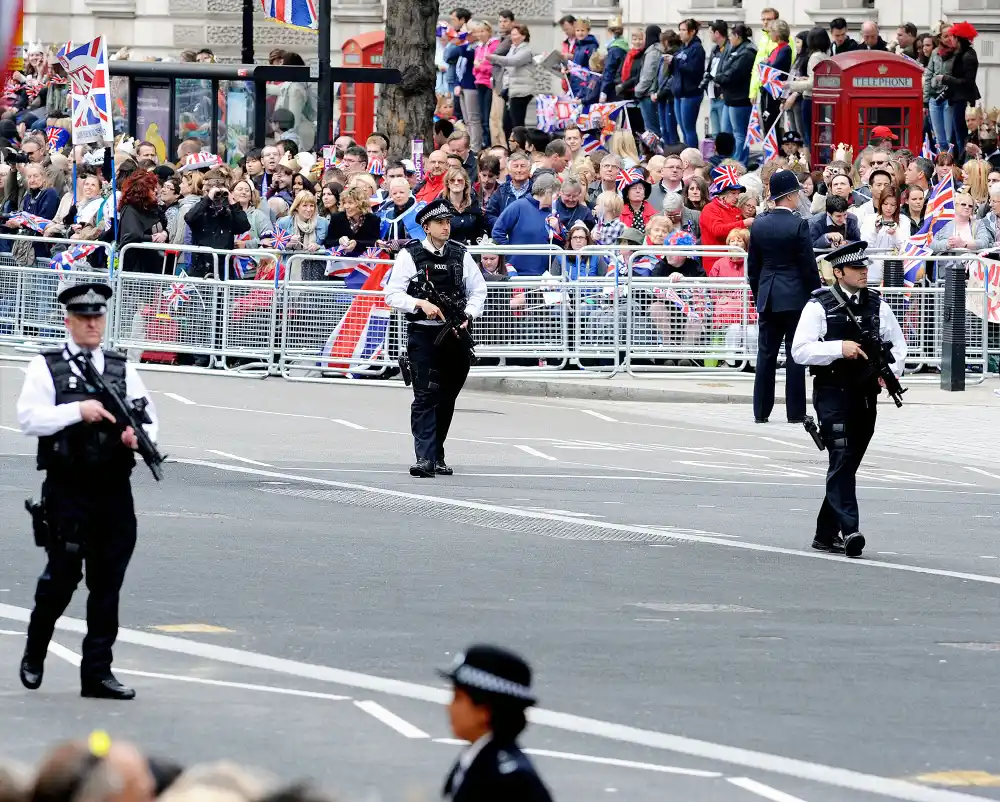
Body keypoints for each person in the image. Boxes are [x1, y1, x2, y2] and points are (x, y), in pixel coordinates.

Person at [16, 281, 159, 700]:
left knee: (107, 583)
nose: (93, 324)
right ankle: (35, 649)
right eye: (84, 317)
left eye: (98, 317)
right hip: (68, 488)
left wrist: (138, 436)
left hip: (114, 490)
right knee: (61, 579)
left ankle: (97, 672)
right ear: (69, 321)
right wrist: (76, 410)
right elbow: (29, 418)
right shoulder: (47, 366)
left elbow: (149, 418)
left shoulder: (121, 367)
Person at [790, 241, 906, 557]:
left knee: (848, 463)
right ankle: (850, 530)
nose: (863, 272)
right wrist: (837, 347)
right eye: (856, 268)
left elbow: (898, 344)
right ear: (838, 272)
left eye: (864, 267)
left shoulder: (878, 305)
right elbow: (799, 350)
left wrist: (890, 372)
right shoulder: (819, 305)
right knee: (841, 458)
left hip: (866, 394)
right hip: (832, 393)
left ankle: (824, 534)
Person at [385, 200, 487, 477]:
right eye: (440, 223)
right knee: (425, 396)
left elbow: (479, 290)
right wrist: (420, 304)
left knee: (446, 397)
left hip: (455, 335)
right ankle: (425, 459)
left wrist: (468, 314)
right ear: (426, 227)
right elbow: (393, 294)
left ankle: (437, 453)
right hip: (423, 335)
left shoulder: (460, 254)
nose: (446, 227)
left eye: (448, 222)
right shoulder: (410, 255)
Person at [748, 169, 821, 424]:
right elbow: (808, 266)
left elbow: (753, 268)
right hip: (794, 295)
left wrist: (759, 294)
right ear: (789, 196)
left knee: (765, 354)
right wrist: (815, 294)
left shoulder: (759, 223)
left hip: (768, 294)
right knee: (795, 353)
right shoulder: (798, 224)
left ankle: (761, 411)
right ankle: (795, 411)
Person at [438, 644, 552, 802]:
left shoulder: (509, 782)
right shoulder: (479, 761)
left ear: (484, 711)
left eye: (458, 698)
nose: (449, 707)